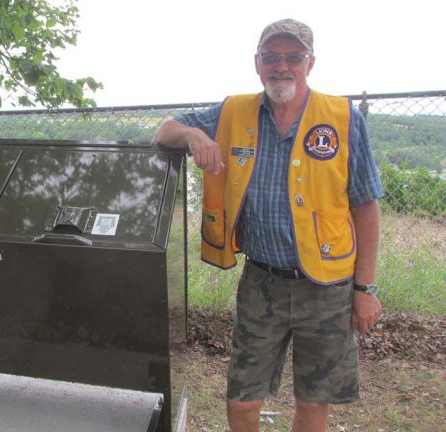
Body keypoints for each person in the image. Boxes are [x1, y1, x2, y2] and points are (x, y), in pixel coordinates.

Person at [154, 19, 383, 432]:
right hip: (262, 284)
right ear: (257, 64)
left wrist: (364, 289)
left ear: (309, 63)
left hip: (328, 287)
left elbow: (366, 205)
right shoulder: (233, 110)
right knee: (242, 401)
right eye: (272, 57)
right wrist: (192, 136)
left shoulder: (343, 116)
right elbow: (164, 130)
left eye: (293, 57)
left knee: (313, 403)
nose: (282, 66)